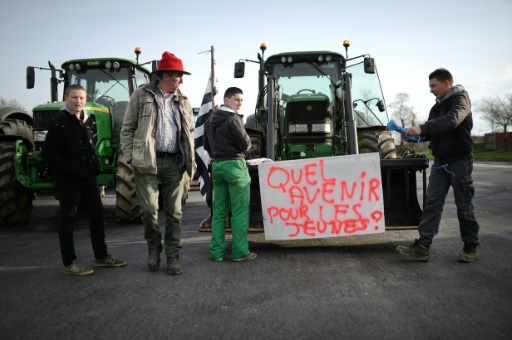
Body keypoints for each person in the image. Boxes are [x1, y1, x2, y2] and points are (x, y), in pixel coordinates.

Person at [120, 52, 195, 275]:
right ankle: (154, 247)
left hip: (175, 162)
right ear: (165, 76)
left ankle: (173, 255)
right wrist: (131, 157)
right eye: (178, 76)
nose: (181, 80)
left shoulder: (184, 100)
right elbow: (127, 128)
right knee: (149, 210)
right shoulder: (141, 95)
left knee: (174, 212)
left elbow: (189, 131)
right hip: (146, 162)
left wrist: (190, 160)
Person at [396, 68, 480, 263]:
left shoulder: (461, 100)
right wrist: (416, 135)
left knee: (464, 205)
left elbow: (452, 121)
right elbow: (435, 130)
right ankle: (423, 247)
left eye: (434, 86)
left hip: (460, 161)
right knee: (432, 204)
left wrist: (423, 127)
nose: (431, 90)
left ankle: (470, 247)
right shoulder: (436, 107)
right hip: (440, 162)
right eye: (430, 86)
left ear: (447, 83)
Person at [43, 84, 126, 276]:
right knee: (68, 219)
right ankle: (70, 262)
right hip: (69, 181)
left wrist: (94, 169)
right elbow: (49, 154)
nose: (78, 101)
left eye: (81, 98)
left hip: (88, 180)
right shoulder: (59, 123)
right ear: (66, 98)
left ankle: (101, 256)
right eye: (74, 98)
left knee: (97, 217)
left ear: (85, 99)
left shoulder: (87, 121)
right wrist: (71, 168)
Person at [203, 87, 256, 262]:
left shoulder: (210, 120)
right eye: (236, 100)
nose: (240, 103)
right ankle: (240, 252)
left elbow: (206, 145)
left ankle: (216, 252)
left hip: (217, 166)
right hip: (235, 166)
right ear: (226, 100)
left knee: (219, 212)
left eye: (241, 100)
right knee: (239, 211)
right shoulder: (233, 119)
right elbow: (245, 144)